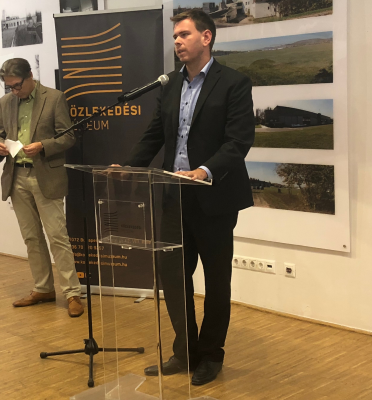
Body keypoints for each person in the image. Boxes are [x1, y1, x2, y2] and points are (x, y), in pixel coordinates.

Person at [120, 10, 255, 385]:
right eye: (175, 36)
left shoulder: (234, 83)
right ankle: (185, 351)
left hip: (213, 198)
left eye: (184, 34)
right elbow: (155, 134)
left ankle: (211, 355)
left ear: (206, 37)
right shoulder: (170, 85)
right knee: (173, 279)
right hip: (174, 198)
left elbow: (239, 141)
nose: (177, 41)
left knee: (216, 282)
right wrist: (128, 167)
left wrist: (204, 170)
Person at [0, 58, 84, 318]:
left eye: (17, 85)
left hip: (46, 176)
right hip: (16, 176)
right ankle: (43, 288)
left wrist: (43, 145)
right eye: (9, 87)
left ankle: (72, 293)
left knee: (57, 236)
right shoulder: (5, 102)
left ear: (30, 76)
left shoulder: (53, 98)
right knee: (31, 237)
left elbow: (68, 136)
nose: (14, 91)